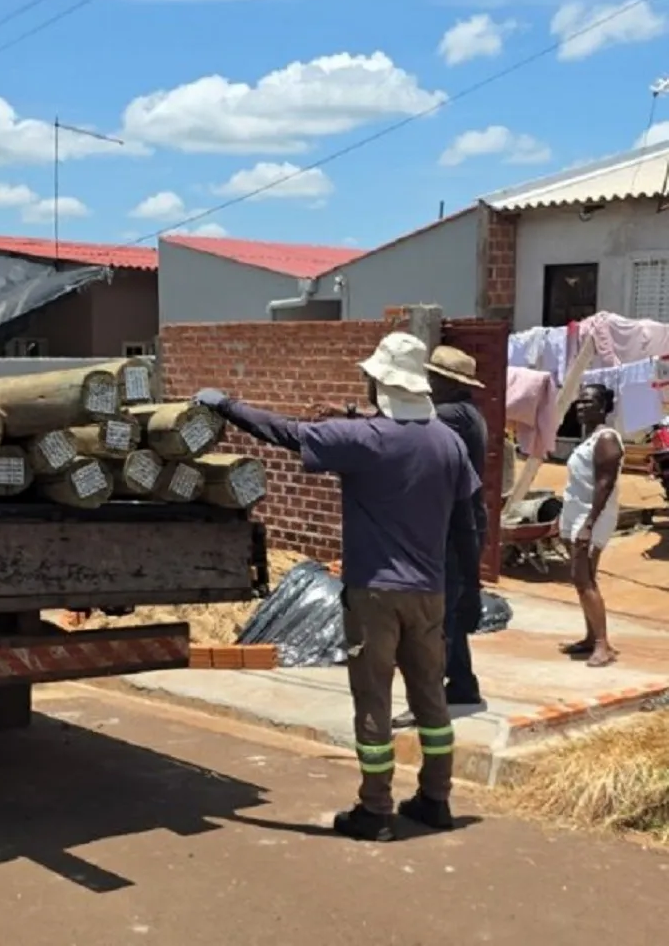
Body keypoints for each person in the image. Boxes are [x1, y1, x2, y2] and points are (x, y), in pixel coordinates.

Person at [194, 332, 482, 842]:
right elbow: (467, 521)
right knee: (431, 703)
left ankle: (375, 810)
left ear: (384, 383)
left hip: (374, 594)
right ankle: (436, 799)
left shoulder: (366, 441)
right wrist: (470, 587)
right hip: (431, 593)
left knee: (372, 699)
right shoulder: (448, 442)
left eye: (371, 377)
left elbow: (287, 432)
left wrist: (226, 405)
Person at [393, 346, 488, 728]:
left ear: (448, 383)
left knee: (435, 620)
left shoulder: (450, 416)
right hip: (463, 522)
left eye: (433, 377)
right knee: (449, 610)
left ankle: (425, 702)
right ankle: (462, 685)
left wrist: (352, 419)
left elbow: (405, 427)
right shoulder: (469, 415)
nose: (427, 383)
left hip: (452, 527)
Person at [558, 383, 624, 668]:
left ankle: (602, 644)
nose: (582, 407)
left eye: (589, 402)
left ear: (603, 407)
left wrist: (588, 524)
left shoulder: (607, 438)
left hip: (591, 516)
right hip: (577, 514)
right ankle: (590, 637)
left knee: (583, 578)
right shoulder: (590, 438)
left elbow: (604, 484)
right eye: (580, 401)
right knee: (583, 578)